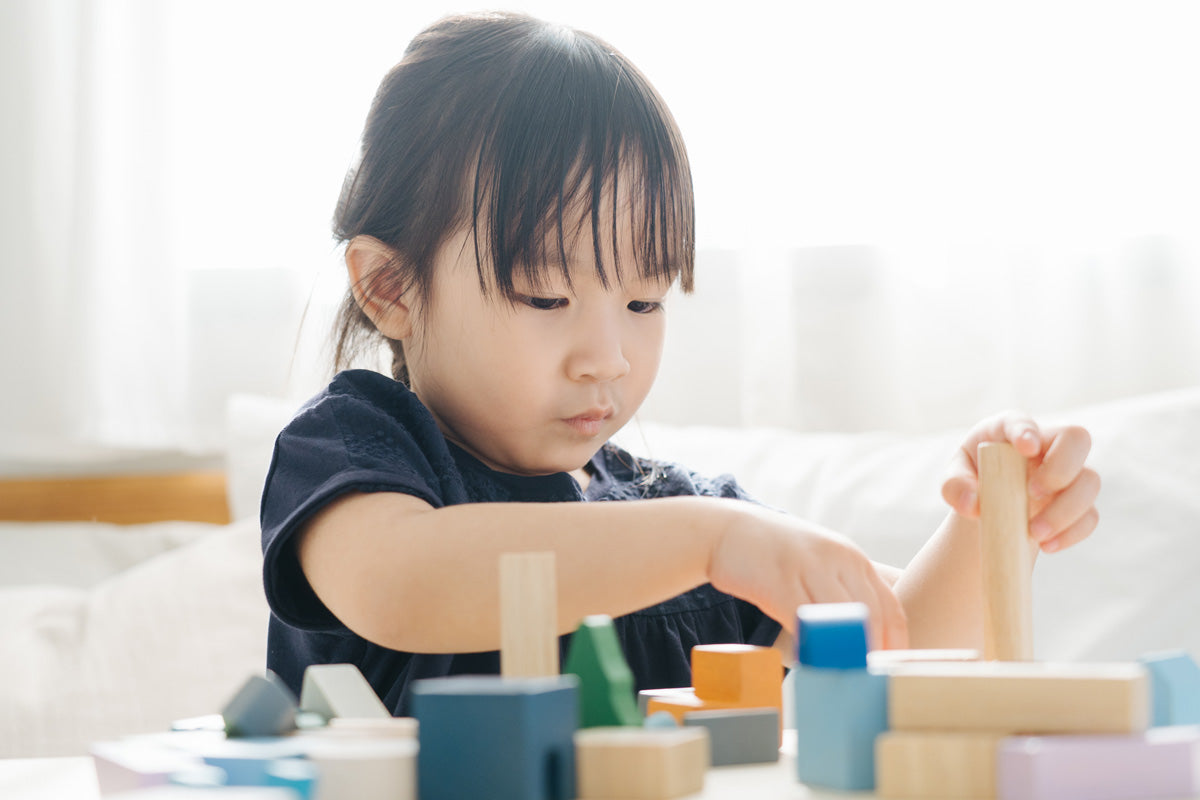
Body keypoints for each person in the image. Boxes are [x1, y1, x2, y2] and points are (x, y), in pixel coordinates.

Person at [260, 11, 1099, 715]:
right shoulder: (355, 453)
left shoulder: (677, 514)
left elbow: (901, 646)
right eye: (547, 300)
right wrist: (712, 540)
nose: (608, 358)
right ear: (390, 286)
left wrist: (994, 522)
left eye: (645, 301)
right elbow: (407, 584)